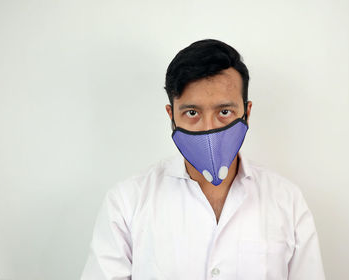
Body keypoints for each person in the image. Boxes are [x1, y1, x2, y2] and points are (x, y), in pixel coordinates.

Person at [80, 39, 325, 280]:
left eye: (224, 112)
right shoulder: (127, 203)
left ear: (247, 113)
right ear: (172, 116)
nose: (209, 129)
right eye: (192, 113)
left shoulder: (286, 201)